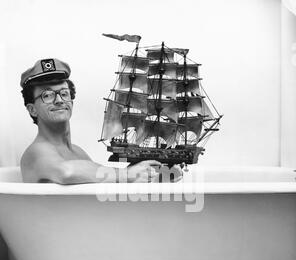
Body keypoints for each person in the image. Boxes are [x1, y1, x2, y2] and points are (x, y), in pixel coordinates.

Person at [20, 58, 183, 184]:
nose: (59, 100)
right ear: (32, 109)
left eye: (64, 93)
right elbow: (66, 172)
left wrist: (151, 173)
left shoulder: (78, 152)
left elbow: (101, 182)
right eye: (47, 95)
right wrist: (128, 174)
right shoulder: (36, 152)